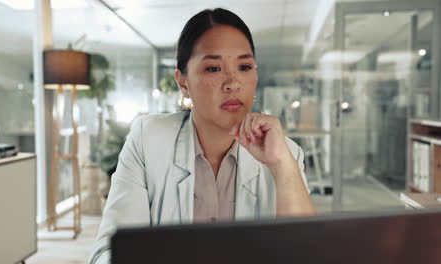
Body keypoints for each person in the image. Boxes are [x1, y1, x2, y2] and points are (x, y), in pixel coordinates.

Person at [88, 8, 315, 264]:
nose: (232, 82)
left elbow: (305, 253)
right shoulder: (148, 140)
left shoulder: (286, 152)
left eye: (244, 66)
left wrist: (282, 165)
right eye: (213, 68)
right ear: (183, 83)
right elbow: (109, 251)